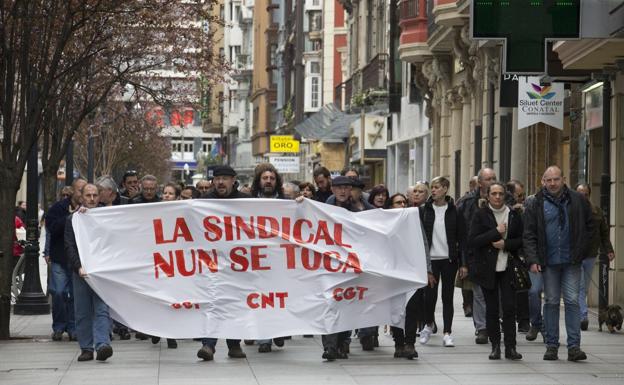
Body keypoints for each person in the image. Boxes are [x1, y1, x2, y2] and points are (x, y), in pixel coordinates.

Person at [524, 166, 593, 362]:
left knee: (571, 301)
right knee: (552, 302)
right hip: (549, 262)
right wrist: (533, 259)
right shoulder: (535, 203)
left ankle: (574, 347)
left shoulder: (578, 200)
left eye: (556, 179)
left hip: (572, 261)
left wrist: (583, 250)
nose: (553, 183)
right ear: (542, 181)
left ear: (563, 179)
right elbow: (528, 234)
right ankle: (552, 346)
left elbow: (591, 225)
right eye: (549, 180)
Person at [196, 165, 249, 361]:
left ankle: (234, 344)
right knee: (212, 303)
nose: (220, 182)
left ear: (233, 180)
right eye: (217, 178)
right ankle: (208, 345)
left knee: (234, 304)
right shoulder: (203, 202)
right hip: (211, 264)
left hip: (237, 265)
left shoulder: (246, 201)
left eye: (225, 178)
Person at [468, 182, 523, 360]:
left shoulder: (513, 215)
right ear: (488, 196)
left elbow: (521, 240)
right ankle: (495, 346)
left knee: (508, 308)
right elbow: (473, 241)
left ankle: (511, 347)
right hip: (487, 268)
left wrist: (505, 244)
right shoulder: (480, 215)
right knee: (491, 309)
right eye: (494, 194)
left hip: (508, 267)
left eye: (500, 193)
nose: (497, 197)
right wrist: (495, 232)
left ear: (505, 195)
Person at [65, 183, 113, 362]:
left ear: (99, 197)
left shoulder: (106, 216)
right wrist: (78, 266)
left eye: (94, 195)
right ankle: (86, 348)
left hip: (101, 271)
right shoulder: (73, 219)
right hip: (81, 272)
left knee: (102, 309)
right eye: (88, 195)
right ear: (81, 197)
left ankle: (102, 345)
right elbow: (69, 245)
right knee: (82, 310)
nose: (91, 199)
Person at [419, 176, 465, 348]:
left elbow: (462, 237)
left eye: (437, 187)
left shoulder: (455, 210)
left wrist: (463, 263)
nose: (434, 190)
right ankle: (428, 325)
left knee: (447, 297)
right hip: (431, 261)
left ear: (445, 189)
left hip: (449, 259)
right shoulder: (425, 209)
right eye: (432, 187)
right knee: (429, 297)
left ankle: (447, 332)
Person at [457, 168, 498, 344]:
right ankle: (482, 328)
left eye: (494, 178)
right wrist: (463, 262)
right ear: (480, 183)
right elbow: (461, 234)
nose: (492, 181)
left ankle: (494, 323)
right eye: (488, 179)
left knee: (497, 293)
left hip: (498, 253)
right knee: (479, 293)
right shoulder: (466, 203)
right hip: (476, 254)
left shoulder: (504, 198)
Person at [250, 163, 286, 352]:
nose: (269, 181)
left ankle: (278, 331)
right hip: (256, 260)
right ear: (259, 180)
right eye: (265, 178)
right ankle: (264, 338)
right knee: (261, 300)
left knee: (278, 299)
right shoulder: (246, 202)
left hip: (279, 260)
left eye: (272, 178)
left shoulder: (286, 202)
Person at [46, 178, 87, 341]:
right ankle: (58, 326)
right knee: (58, 292)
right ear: (73, 192)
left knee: (74, 295)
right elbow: (52, 229)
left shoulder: (89, 210)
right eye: (79, 190)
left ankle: (73, 328)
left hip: (78, 260)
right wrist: (71, 217)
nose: (82, 193)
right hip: (60, 258)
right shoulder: (59, 208)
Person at [575, 183, 615, 331]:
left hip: (591, 255)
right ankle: (583, 316)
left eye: (585, 193)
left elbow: (604, 233)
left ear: (589, 195)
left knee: (583, 288)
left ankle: (579, 314)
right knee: (579, 287)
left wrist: (609, 250)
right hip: (576, 255)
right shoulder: (571, 210)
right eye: (580, 193)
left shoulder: (597, 211)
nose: (582, 196)